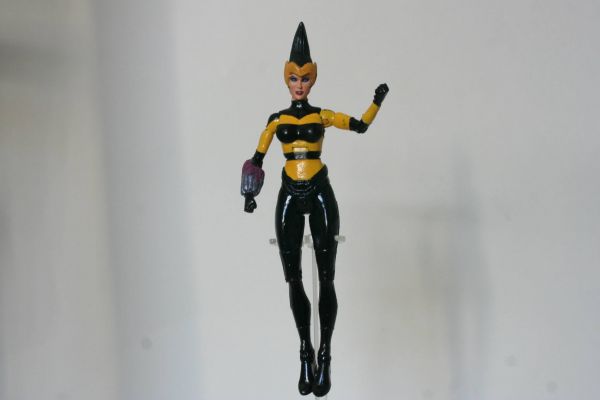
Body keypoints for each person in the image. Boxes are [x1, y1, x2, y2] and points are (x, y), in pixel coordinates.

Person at [241, 22, 389, 397]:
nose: (299, 84)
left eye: (305, 78)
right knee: (293, 278)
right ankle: (305, 352)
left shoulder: (322, 115)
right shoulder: (276, 120)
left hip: (320, 189)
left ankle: (325, 355)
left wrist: (376, 102)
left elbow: (359, 126)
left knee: (326, 277)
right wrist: (249, 192)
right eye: (294, 78)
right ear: (286, 79)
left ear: (313, 78)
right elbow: (256, 158)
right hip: (289, 192)